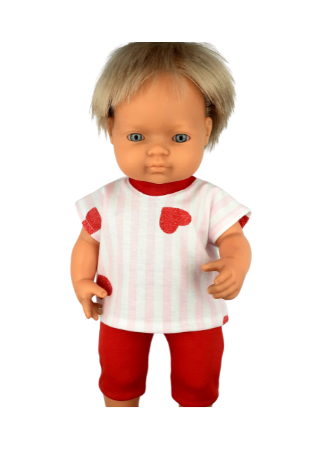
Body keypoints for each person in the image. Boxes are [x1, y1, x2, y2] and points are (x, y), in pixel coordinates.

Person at [71, 42, 252, 407]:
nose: (157, 151)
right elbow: (88, 241)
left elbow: (233, 236)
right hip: (122, 308)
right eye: (136, 137)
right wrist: (80, 280)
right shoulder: (106, 199)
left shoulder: (209, 199)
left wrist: (236, 264)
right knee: (119, 380)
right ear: (112, 129)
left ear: (205, 130)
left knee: (198, 385)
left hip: (195, 310)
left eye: (179, 137)